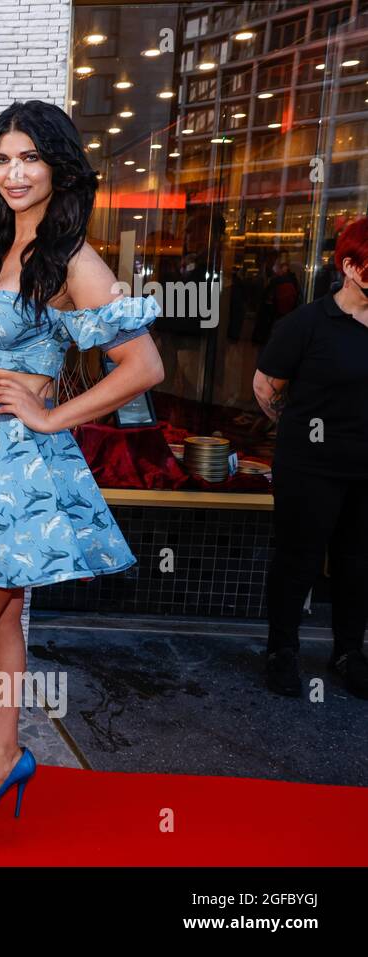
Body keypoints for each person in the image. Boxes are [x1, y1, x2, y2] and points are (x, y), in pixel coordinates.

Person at [0, 101, 163, 860]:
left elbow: (144, 366)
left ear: (58, 165)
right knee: (2, 619)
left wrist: (54, 418)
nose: (14, 173)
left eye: (29, 158)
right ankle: (8, 755)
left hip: (20, 466)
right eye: (1, 159)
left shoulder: (73, 259)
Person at [254, 216, 368, 700]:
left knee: (358, 562)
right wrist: (302, 436)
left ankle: (348, 652)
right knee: (297, 561)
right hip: (311, 467)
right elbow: (266, 388)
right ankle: (282, 652)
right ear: (352, 267)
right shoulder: (306, 324)